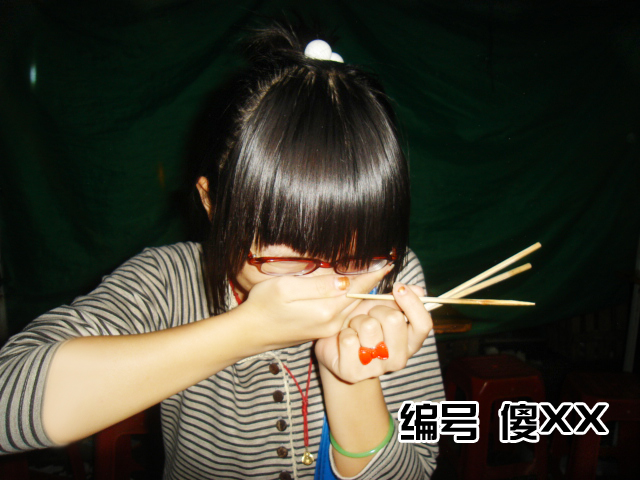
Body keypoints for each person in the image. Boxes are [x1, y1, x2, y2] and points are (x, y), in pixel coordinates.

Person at [0, 24, 444, 479]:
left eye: (355, 252)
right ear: (212, 202)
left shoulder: (393, 277)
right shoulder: (169, 281)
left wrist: (352, 378)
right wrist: (248, 330)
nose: (331, 280)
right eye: (291, 250)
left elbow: (422, 461)